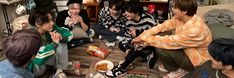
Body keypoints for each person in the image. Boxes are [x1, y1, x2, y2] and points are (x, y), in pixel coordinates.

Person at [132, 0, 212, 77]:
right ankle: (175, 65)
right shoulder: (181, 18)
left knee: (161, 48)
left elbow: (169, 41)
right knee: (161, 33)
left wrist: (145, 40)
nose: (172, 9)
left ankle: (178, 70)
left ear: (184, 11)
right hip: (186, 47)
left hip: (197, 61)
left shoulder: (196, 29)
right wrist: (142, 36)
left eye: (175, 8)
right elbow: (162, 26)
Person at [105, 2, 157, 77]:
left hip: (150, 42)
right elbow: (128, 36)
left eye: (129, 12)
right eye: (126, 11)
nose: (126, 13)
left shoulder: (148, 19)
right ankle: (147, 54)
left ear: (137, 12)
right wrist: (128, 48)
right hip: (137, 42)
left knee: (136, 46)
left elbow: (156, 33)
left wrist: (139, 33)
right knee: (122, 44)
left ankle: (122, 68)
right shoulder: (128, 21)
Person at [28, 9, 73, 77]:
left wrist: (61, 38)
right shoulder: (30, 36)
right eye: (48, 21)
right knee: (43, 48)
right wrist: (54, 44)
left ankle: (59, 71)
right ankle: (62, 63)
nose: (52, 23)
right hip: (36, 68)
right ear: (37, 23)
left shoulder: (51, 28)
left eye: (52, 20)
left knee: (62, 42)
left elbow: (69, 33)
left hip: (46, 61)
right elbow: (37, 59)